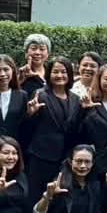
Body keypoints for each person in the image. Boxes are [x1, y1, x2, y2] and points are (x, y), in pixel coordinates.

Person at [23, 56, 80, 194]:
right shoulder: (40, 95)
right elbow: (27, 127)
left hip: (65, 157)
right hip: (41, 155)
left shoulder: (75, 99)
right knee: (36, 195)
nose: (60, 75)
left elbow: (76, 128)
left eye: (63, 72)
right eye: (55, 72)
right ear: (49, 74)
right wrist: (30, 114)